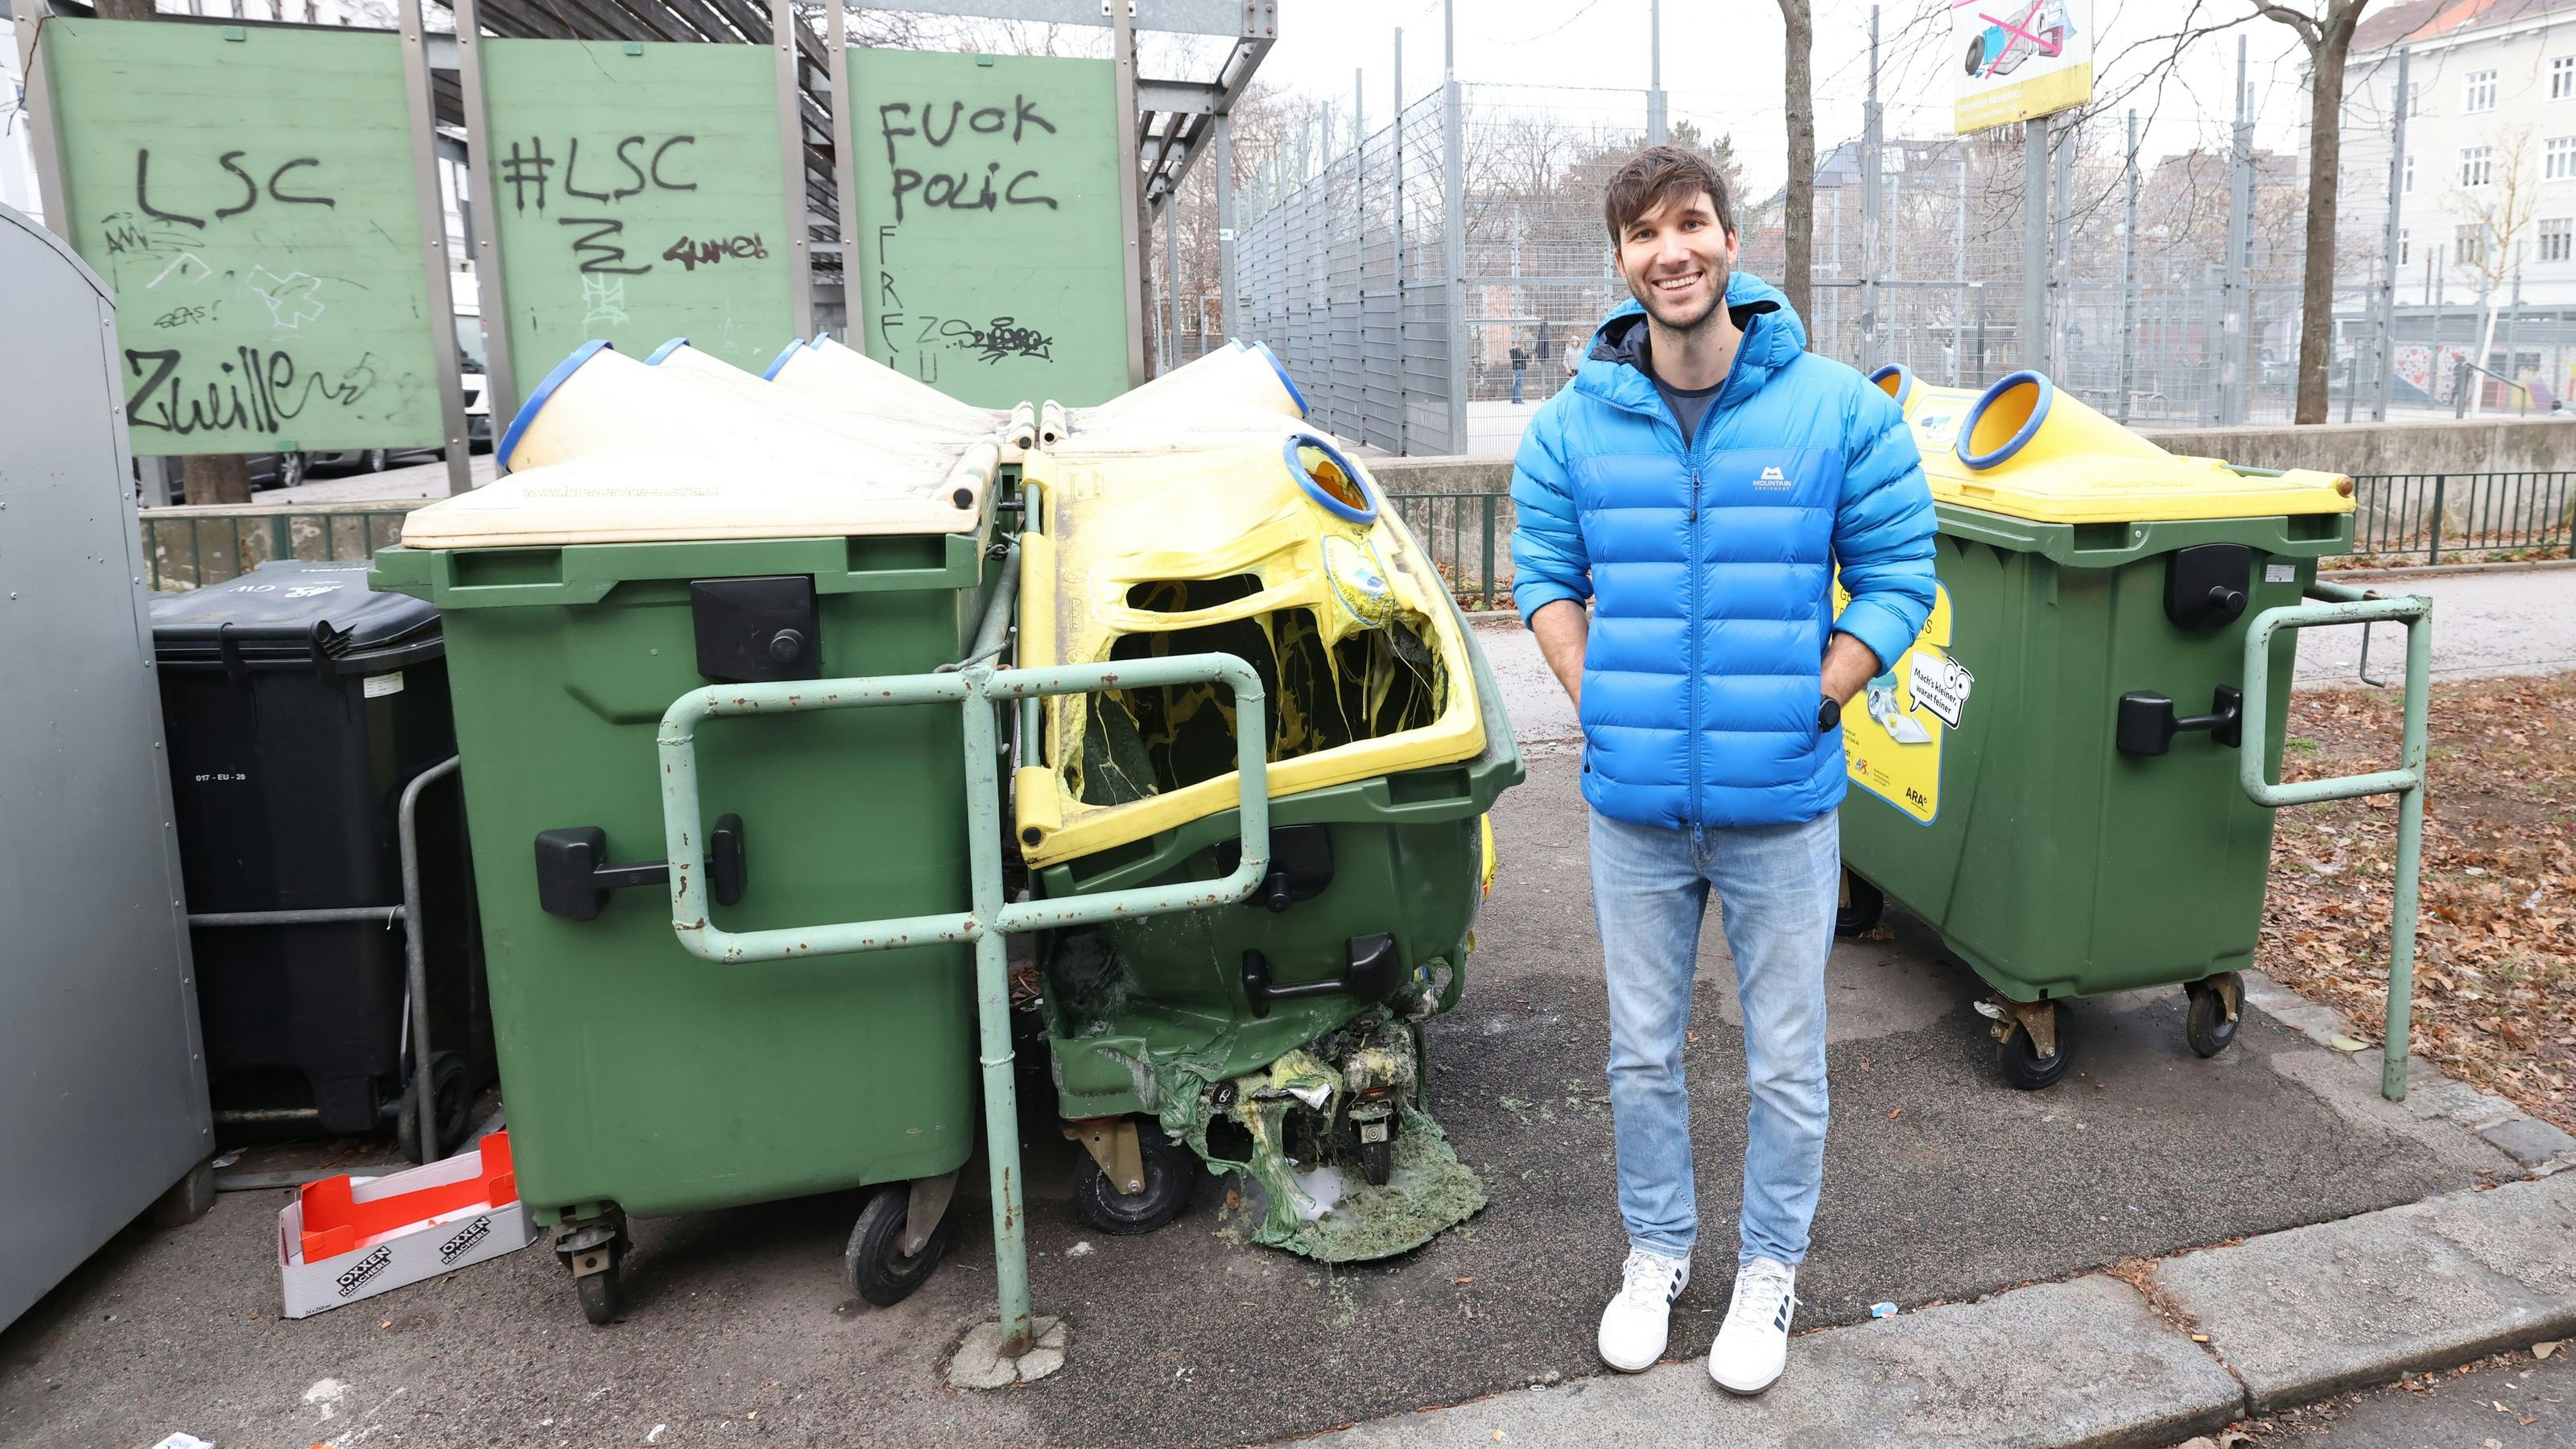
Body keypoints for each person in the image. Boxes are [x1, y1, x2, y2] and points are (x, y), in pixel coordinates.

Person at [1509, 145, 1936, 1396]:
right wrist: (1595, 695)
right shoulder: (1572, 427)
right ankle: (1657, 1251)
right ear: (1622, 261)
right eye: (1644, 234)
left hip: (1782, 810)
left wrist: (1821, 693)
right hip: (1635, 813)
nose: (1672, 251)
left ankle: (1768, 1268)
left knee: (1787, 1062)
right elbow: (1545, 576)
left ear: (1731, 243)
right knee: (1641, 1055)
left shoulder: (1838, 411)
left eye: (1690, 224)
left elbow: (1900, 574)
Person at [1509, 340, 1530, 404]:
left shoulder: (1518, 350)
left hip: (1519, 368)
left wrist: (1525, 357)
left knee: (1517, 384)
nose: (1522, 346)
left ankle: (1515, 399)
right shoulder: (1515, 350)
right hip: (1519, 368)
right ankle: (1518, 399)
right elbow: (1516, 358)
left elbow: (1520, 358)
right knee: (1519, 384)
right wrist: (1522, 357)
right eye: (1521, 345)